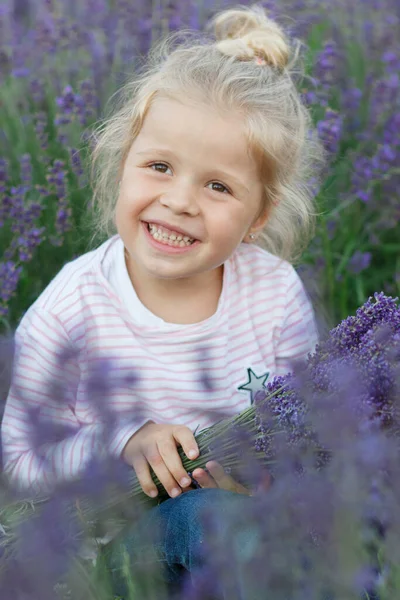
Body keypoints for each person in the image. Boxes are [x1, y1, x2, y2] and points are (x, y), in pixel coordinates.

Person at [1, 3, 325, 597]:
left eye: (218, 185)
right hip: (116, 550)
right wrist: (123, 440)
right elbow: (17, 462)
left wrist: (266, 486)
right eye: (158, 166)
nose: (179, 201)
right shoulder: (72, 305)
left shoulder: (274, 293)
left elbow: (305, 428)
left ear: (260, 216)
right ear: (122, 162)